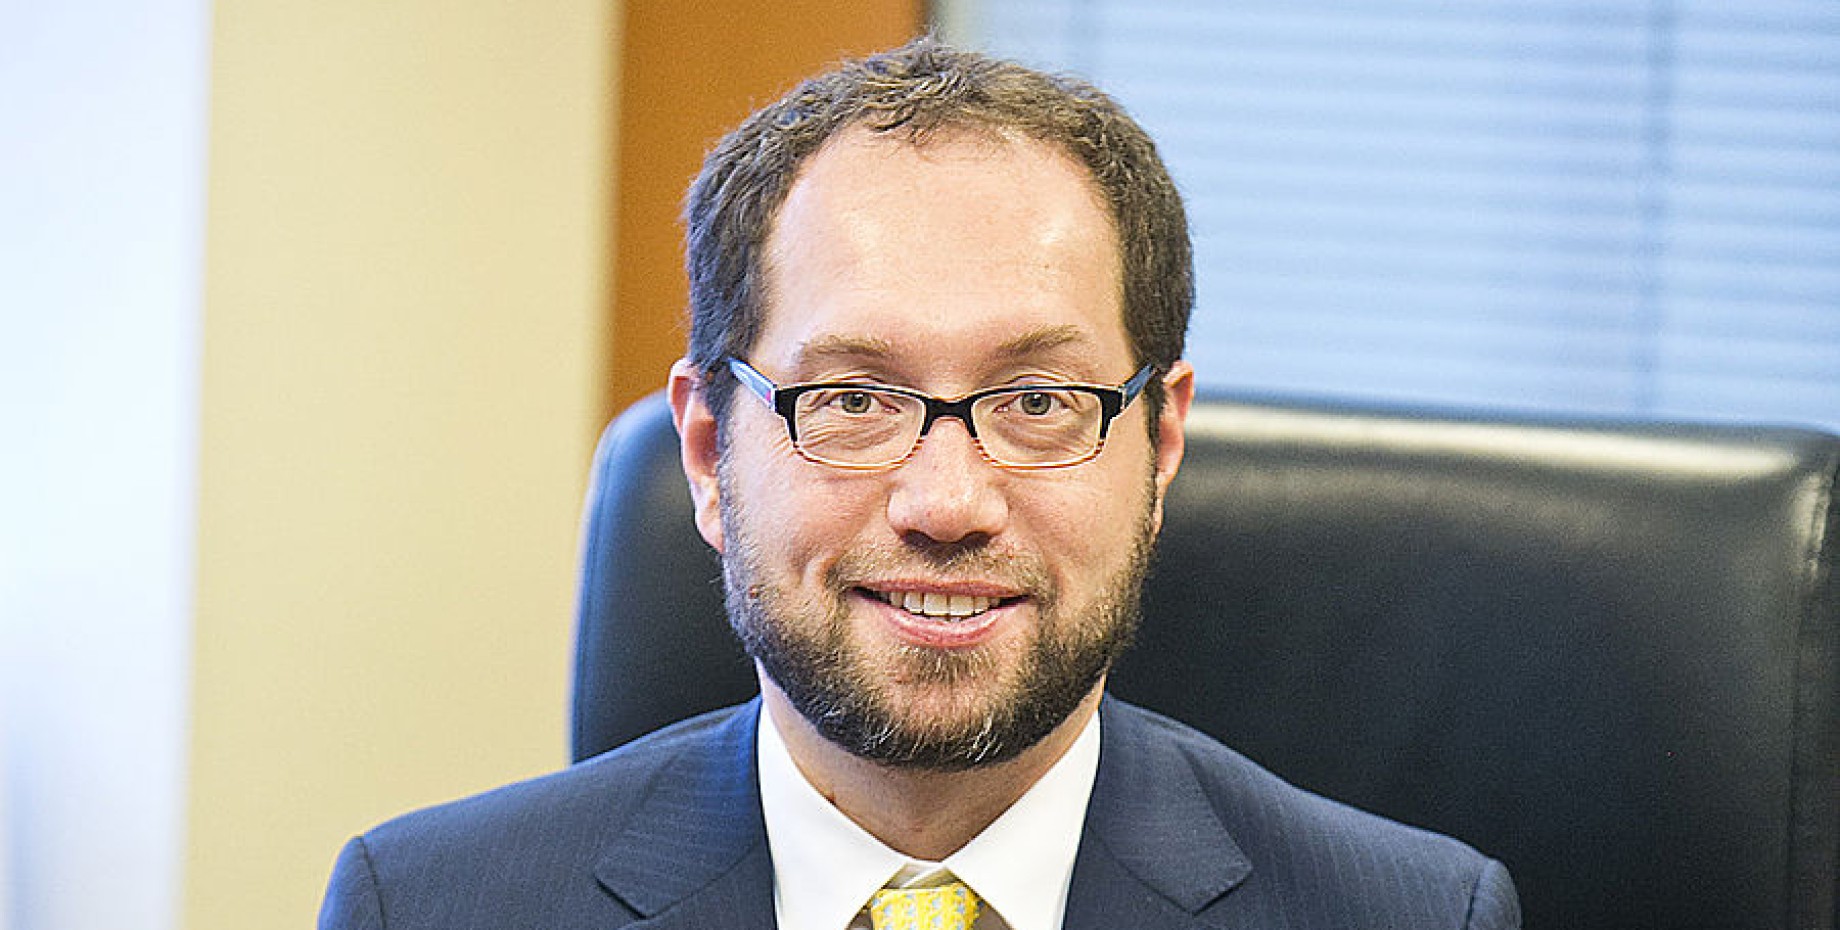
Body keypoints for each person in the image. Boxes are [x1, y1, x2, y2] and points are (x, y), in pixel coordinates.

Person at [318, 38, 1520, 930]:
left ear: (1158, 447)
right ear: (707, 453)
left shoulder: (1417, 917)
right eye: (853, 401)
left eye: (1037, 402)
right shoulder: (426, 906)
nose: (947, 504)